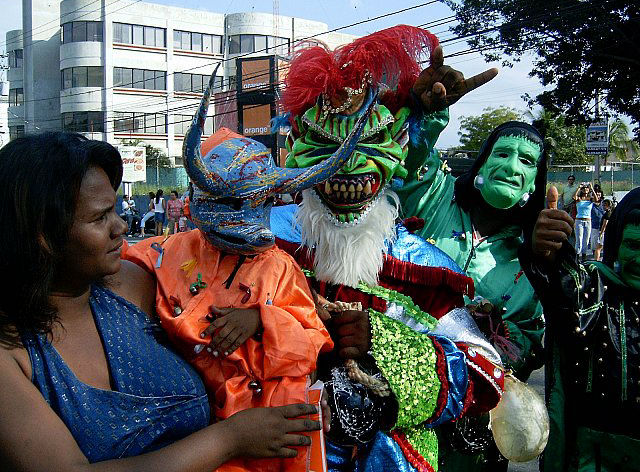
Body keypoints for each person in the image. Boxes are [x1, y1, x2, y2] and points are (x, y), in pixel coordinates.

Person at [0, 132, 322, 472]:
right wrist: (229, 440)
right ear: (43, 236)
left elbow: (250, 350)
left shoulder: (134, 284)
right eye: (100, 218)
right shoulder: (11, 357)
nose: (121, 226)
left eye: (115, 211)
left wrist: (292, 399)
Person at [271, 26, 506, 472]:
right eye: (326, 145)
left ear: (397, 144)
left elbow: (486, 370)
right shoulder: (265, 243)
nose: (347, 164)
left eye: (366, 145)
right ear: (292, 147)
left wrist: (384, 342)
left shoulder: (422, 266)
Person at [125, 74, 370, 472]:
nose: (250, 222)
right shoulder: (170, 249)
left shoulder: (278, 265)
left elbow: (314, 338)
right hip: (193, 422)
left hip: (271, 427)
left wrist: (261, 318)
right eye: (234, 203)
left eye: (260, 201)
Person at [396, 120, 547, 470]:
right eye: (503, 153)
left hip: (474, 422)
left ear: (535, 182)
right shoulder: (436, 198)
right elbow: (409, 160)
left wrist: (502, 340)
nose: (511, 167)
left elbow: (534, 340)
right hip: (400, 398)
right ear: (481, 162)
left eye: (526, 161)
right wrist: (429, 115)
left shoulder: (533, 251)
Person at [520, 187, 640, 472]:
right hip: (592, 458)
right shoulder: (598, 289)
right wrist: (546, 251)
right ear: (616, 244)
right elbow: (564, 288)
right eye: (634, 245)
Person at [573, 183, 595, 261]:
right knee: (579, 240)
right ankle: (576, 257)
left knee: (586, 240)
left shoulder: (590, 199)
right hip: (579, 220)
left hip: (588, 221)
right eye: (584, 188)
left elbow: (596, 199)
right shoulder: (579, 199)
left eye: (587, 188)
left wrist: (592, 188)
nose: (585, 189)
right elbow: (574, 197)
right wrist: (579, 187)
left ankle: (584, 258)